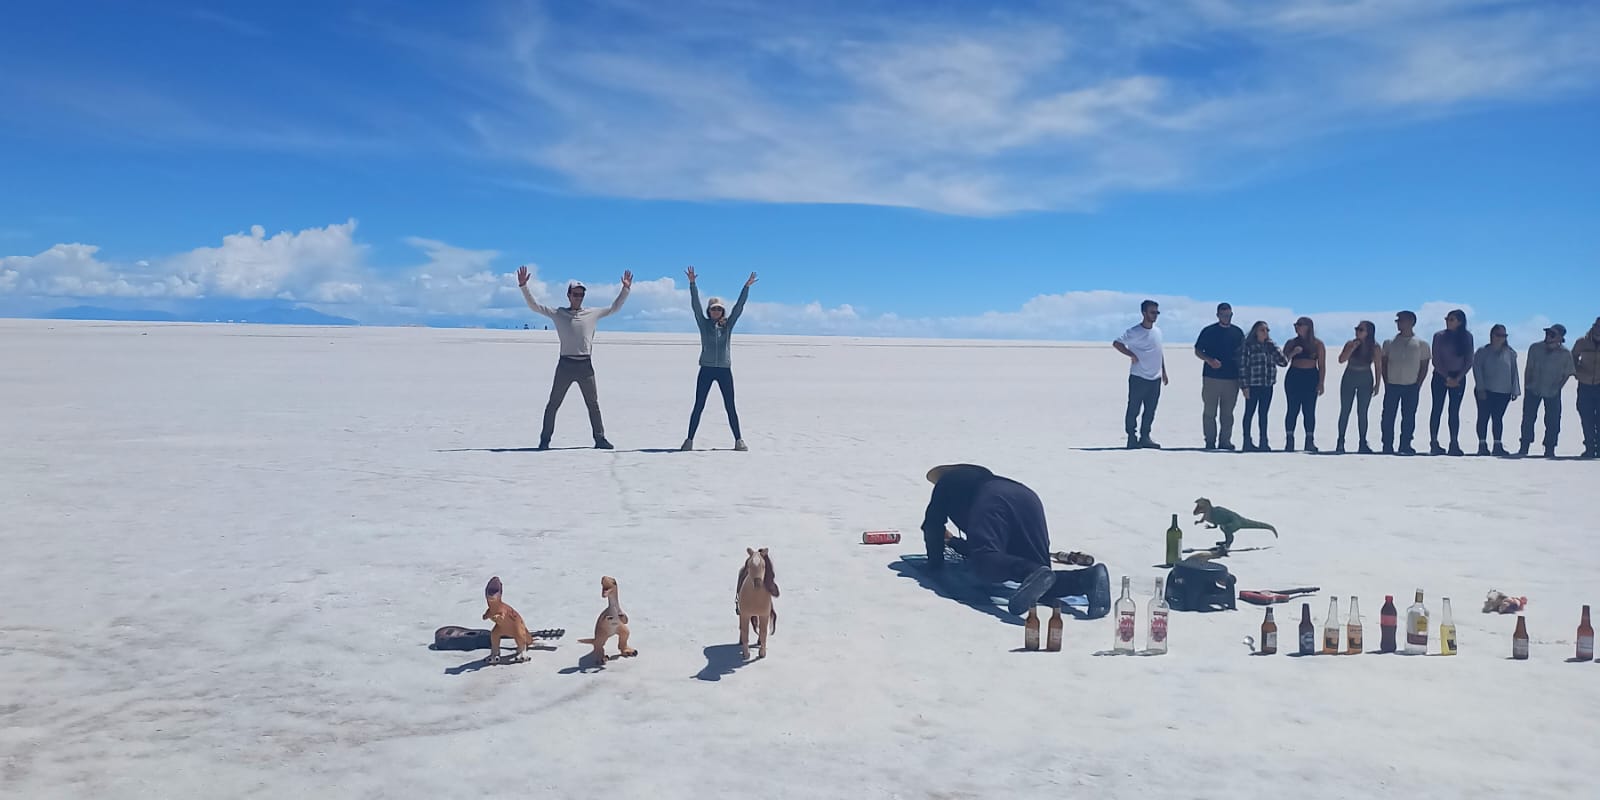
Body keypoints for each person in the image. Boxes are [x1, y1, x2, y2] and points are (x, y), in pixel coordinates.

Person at [920, 464, 1108, 618]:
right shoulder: (978, 478)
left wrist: (935, 566)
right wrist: (953, 542)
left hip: (991, 498)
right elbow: (993, 548)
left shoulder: (945, 483)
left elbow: (932, 526)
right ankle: (1087, 579)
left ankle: (1031, 571)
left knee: (985, 563)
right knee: (1043, 582)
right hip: (1027, 498)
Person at [517, 265, 632, 450]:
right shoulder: (559, 313)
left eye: (581, 295)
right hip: (565, 366)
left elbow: (614, 308)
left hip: (585, 366)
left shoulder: (591, 313)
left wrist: (625, 289)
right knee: (553, 404)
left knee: (593, 405)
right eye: (575, 294)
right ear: (568, 295)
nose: (578, 298)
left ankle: (600, 439)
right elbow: (535, 306)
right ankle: (545, 440)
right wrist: (524, 286)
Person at [681, 267, 756, 452]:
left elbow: (739, 307)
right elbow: (695, 306)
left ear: (723, 311)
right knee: (699, 405)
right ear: (709, 311)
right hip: (706, 369)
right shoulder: (704, 324)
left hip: (724, 370)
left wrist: (746, 287)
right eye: (713, 309)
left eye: (719, 309)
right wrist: (692, 284)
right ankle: (689, 440)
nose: (716, 311)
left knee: (730, 406)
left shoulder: (728, 325)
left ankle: (739, 440)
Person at [1112, 300, 1168, 449]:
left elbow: (1159, 351)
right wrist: (1131, 354)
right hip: (1139, 377)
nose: (1155, 315)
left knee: (1150, 410)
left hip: (1155, 378)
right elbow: (1117, 343)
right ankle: (1131, 437)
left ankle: (1145, 437)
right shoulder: (1135, 331)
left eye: (1157, 312)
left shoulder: (1158, 331)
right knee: (1134, 408)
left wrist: (1164, 371)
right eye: (1152, 312)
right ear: (1144, 313)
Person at [1194, 302, 1245, 450]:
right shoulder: (1209, 331)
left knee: (1227, 413)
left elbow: (1242, 355)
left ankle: (1225, 441)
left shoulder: (1237, 332)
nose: (1226, 317)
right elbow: (1197, 350)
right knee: (1210, 412)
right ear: (1218, 315)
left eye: (1229, 315)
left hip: (1232, 379)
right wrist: (1209, 360)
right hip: (1212, 378)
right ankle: (1210, 441)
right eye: (1223, 315)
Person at [1520, 323, 1576, 458]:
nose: (1548, 336)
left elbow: (1569, 372)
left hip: (1552, 391)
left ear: (1560, 338)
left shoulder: (1565, 354)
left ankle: (1550, 448)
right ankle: (1524, 446)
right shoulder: (1535, 348)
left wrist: (1558, 387)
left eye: (1552, 334)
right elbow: (1529, 368)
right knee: (1528, 418)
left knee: (1553, 420)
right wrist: (1527, 385)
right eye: (1547, 333)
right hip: (1533, 388)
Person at [1380, 310, 1431, 455]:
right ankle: (1387, 445)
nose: (1399, 323)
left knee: (1409, 417)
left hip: (1411, 385)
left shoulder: (1421, 344)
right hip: (1393, 384)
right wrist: (1386, 382)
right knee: (1388, 416)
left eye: (1401, 320)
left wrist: (1418, 384)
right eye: (1397, 321)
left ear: (1411, 322)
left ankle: (1405, 444)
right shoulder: (1389, 343)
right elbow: (1383, 363)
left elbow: (1424, 366)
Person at [1427, 309, 1475, 456]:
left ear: (1460, 322)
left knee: (1454, 411)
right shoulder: (1439, 336)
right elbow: (1436, 359)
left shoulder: (1467, 337)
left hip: (1458, 377)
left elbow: (1469, 360)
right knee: (1437, 409)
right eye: (1447, 319)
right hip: (1441, 376)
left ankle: (1454, 443)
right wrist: (1447, 377)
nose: (1448, 321)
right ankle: (1434, 442)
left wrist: (1458, 378)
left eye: (1451, 319)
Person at [1471, 324, 1520, 456]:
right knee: (1483, 417)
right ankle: (1482, 445)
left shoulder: (1510, 353)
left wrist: (1515, 390)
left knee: (1498, 418)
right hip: (1485, 390)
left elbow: (1514, 371)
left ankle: (1497, 445)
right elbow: (1477, 369)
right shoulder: (1482, 351)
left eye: (1504, 336)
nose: (1501, 338)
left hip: (1503, 392)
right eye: (1498, 335)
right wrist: (1480, 387)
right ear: (1492, 335)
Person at [1238, 320, 1287, 452]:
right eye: (1262, 330)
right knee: (1249, 413)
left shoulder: (1271, 346)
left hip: (1267, 385)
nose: (1265, 332)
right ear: (1256, 332)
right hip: (1253, 385)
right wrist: (1244, 386)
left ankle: (1263, 441)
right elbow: (1243, 367)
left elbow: (1283, 362)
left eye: (1267, 330)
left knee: (1263, 414)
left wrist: (1274, 349)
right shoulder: (1248, 346)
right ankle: (1247, 441)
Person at [1335, 320, 1381, 454]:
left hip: (1365, 377)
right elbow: (1341, 359)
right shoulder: (1350, 343)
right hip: (1350, 375)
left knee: (1362, 412)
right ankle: (1341, 441)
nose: (1357, 332)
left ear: (1369, 332)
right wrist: (1351, 348)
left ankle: (1362, 442)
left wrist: (1377, 384)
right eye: (1357, 329)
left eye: (1361, 330)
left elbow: (1378, 366)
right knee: (1345, 410)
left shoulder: (1375, 347)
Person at [1281, 316, 1326, 452]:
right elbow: (1283, 361)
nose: (1297, 327)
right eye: (1296, 325)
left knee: (1309, 410)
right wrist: (1293, 353)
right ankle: (1289, 440)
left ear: (1308, 327)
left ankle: (1309, 441)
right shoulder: (1291, 343)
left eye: (1300, 325)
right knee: (1292, 409)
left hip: (1311, 377)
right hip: (1294, 377)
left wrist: (1321, 382)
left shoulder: (1317, 344)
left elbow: (1322, 365)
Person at [1573, 318, 1600, 459]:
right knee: (1587, 417)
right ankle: (1589, 447)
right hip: (1584, 385)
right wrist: (1577, 372)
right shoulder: (1582, 342)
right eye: (1597, 326)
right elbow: (1573, 358)